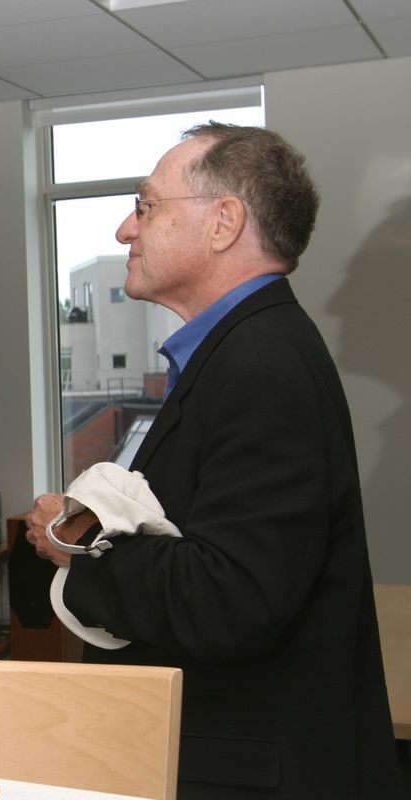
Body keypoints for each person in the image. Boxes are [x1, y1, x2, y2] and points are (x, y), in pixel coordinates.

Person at [24, 123, 400, 798]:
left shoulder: (261, 366)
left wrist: (79, 541)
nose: (123, 231)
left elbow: (231, 600)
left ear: (224, 222)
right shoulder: (245, 352)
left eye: (145, 206)